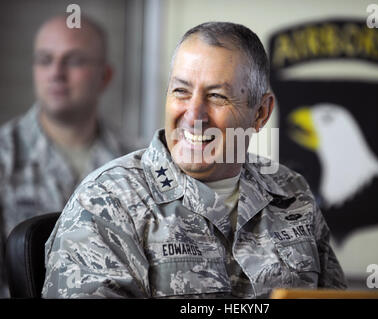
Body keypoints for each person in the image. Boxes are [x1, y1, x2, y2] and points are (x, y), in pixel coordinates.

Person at [42, 22, 347, 298]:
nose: (194, 116)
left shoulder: (292, 193)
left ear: (261, 113)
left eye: (217, 96)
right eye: (181, 91)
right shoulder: (105, 202)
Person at [0, 15, 137, 297]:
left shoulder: (136, 160)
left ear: (105, 76)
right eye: (45, 60)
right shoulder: (4, 156)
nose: (56, 72)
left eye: (73, 60)